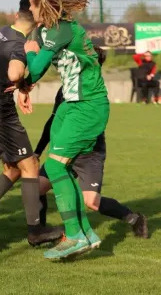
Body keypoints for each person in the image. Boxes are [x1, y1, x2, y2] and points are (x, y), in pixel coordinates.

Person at [20, 0, 110, 260]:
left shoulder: (61, 29)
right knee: (61, 168)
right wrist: (24, 89)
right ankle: (85, 233)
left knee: (56, 168)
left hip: (87, 106)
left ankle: (73, 236)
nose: (29, 9)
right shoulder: (51, 29)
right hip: (71, 105)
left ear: (41, 4)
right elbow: (33, 75)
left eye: (32, 4)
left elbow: (35, 69)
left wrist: (31, 53)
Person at [0, 0, 63, 257]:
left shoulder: (1, 32)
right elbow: (13, 72)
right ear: (39, 21)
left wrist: (19, 90)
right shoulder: (19, 42)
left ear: (15, 14)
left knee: (13, 168)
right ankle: (35, 230)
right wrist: (24, 71)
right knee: (30, 164)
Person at [34, 46, 149, 240]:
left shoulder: (95, 90)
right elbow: (52, 121)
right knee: (37, 187)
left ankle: (134, 219)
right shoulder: (66, 89)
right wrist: (37, 151)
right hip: (66, 150)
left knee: (92, 202)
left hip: (89, 153)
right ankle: (41, 232)